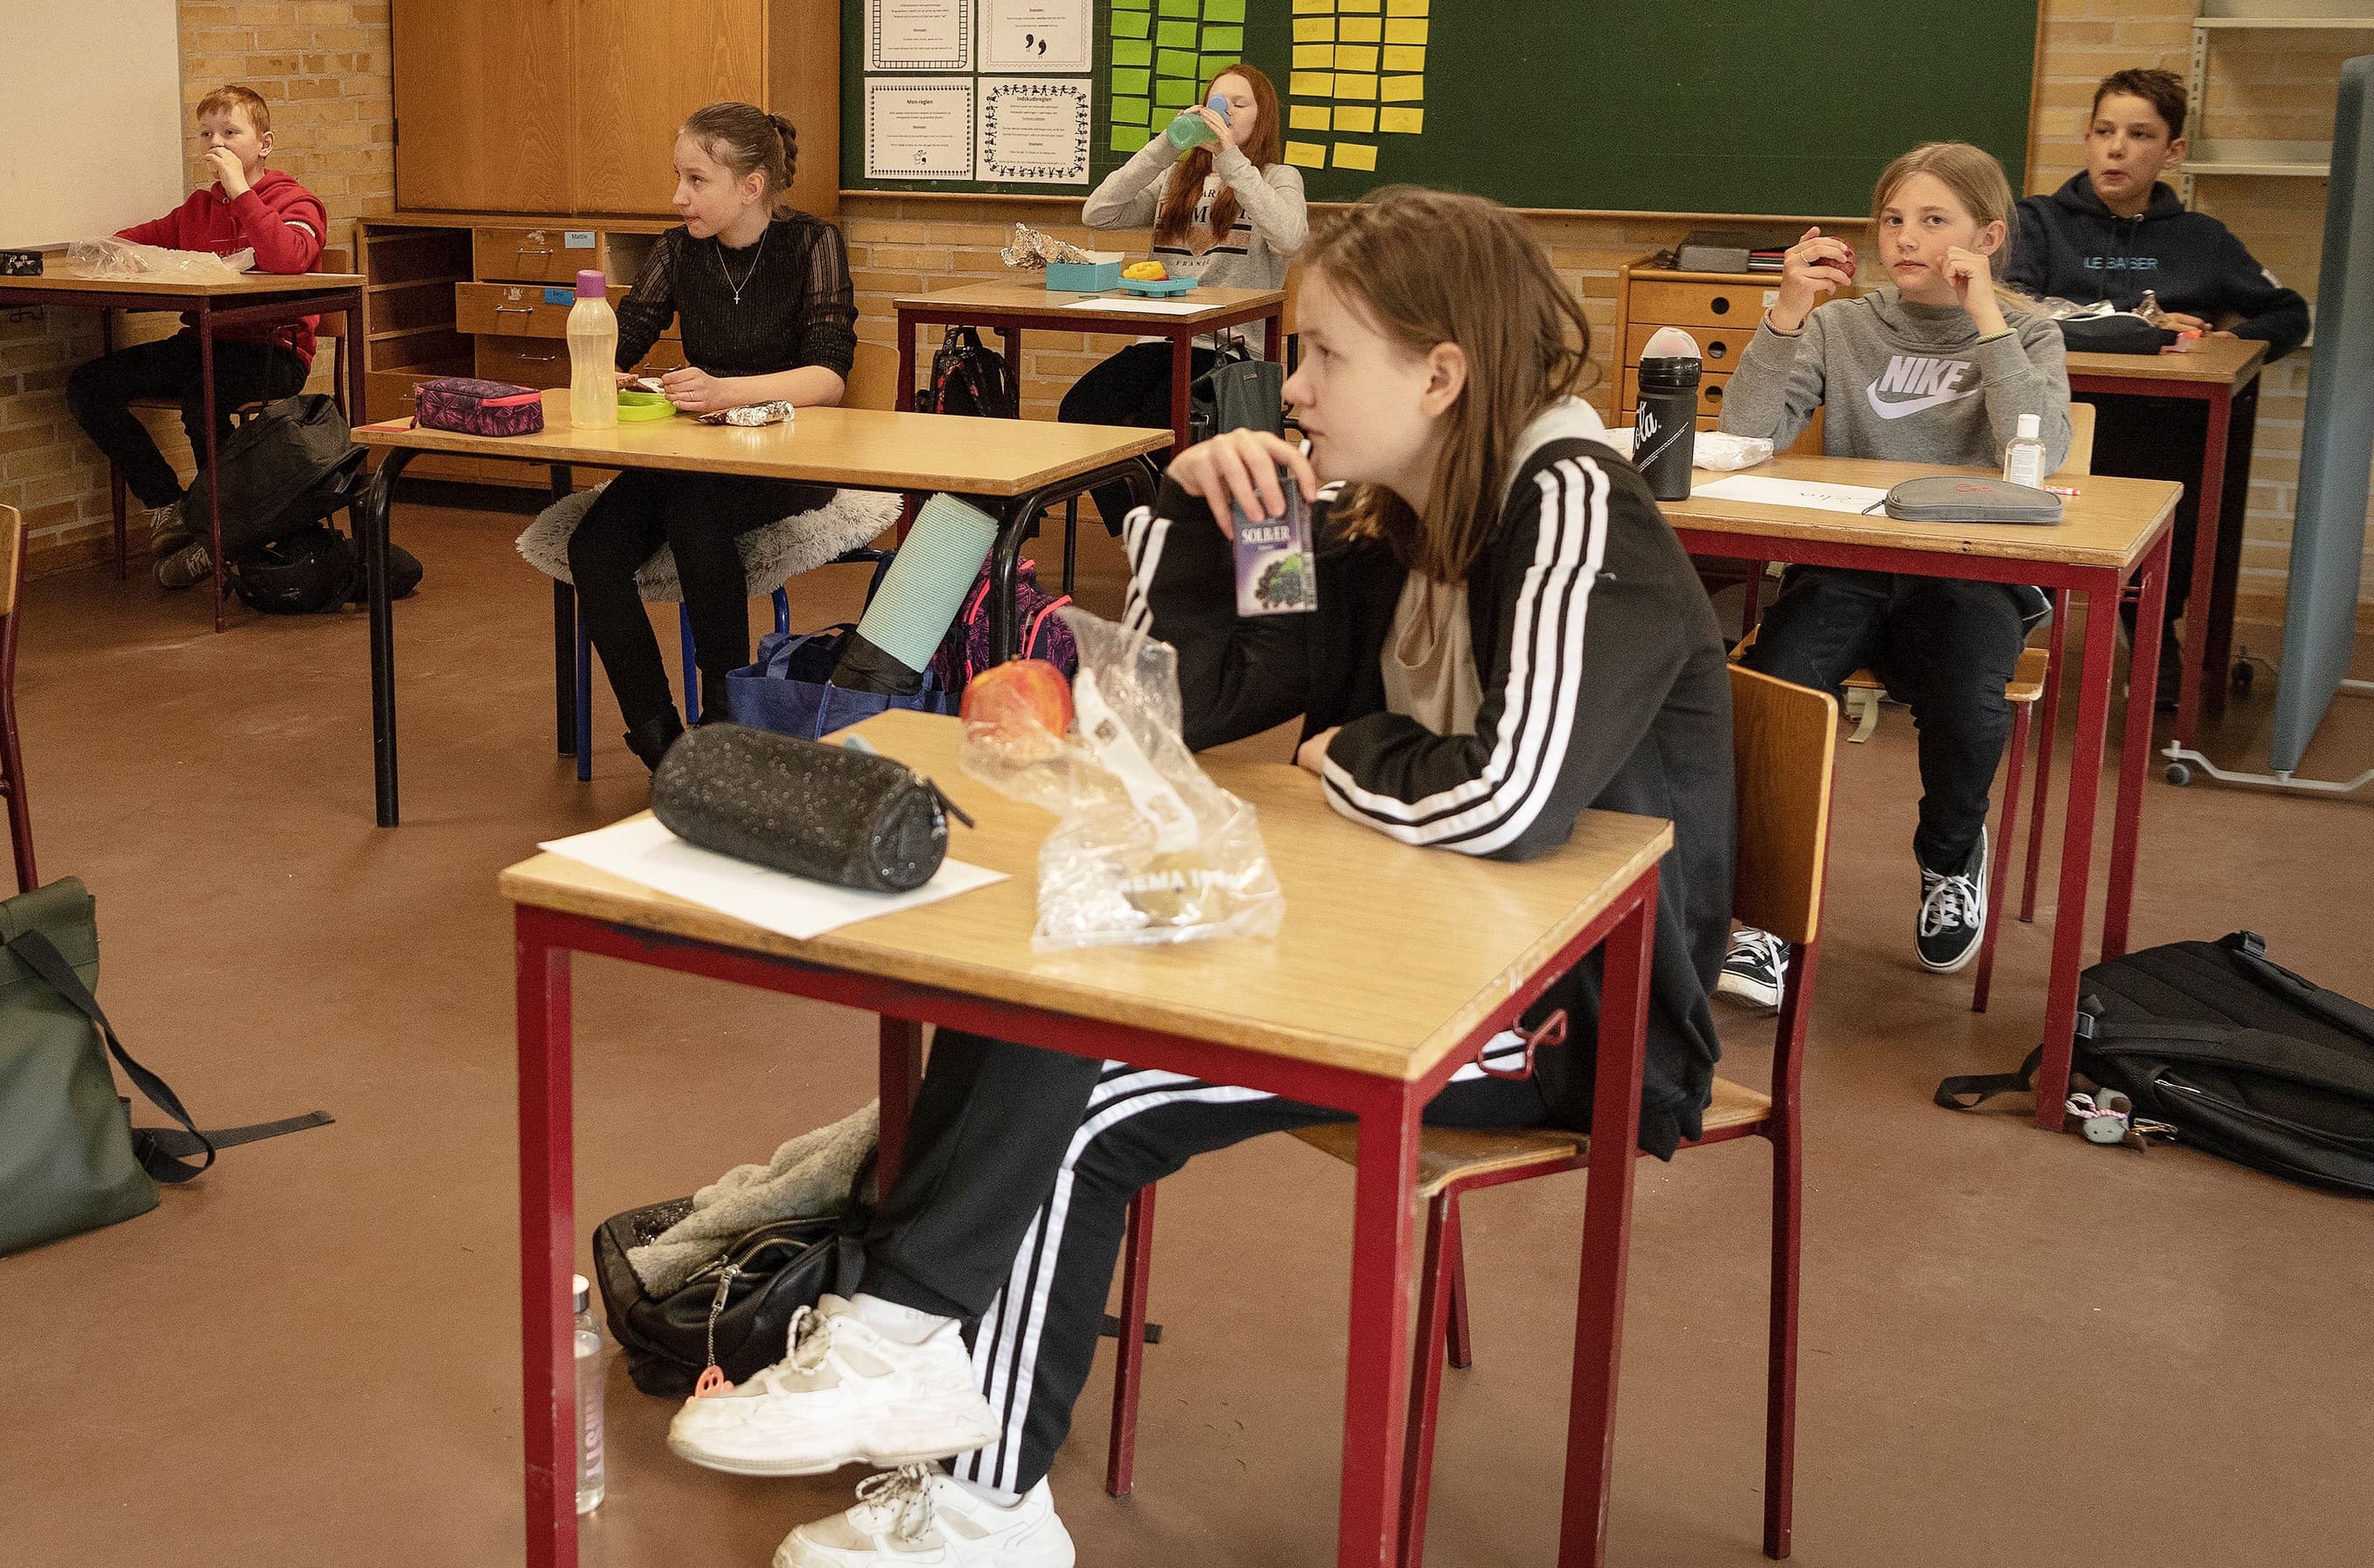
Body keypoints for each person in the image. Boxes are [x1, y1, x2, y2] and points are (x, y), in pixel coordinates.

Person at [665, 188, 1734, 1567]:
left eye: (1324, 356)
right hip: (1394, 943)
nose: (1290, 388)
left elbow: (1513, 798)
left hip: (1569, 1012)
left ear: (1441, 373)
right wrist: (1186, 509)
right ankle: (905, 1344)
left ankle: (973, 1474)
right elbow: (1180, 708)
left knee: (1095, 1100)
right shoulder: (1367, 509)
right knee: (1040, 982)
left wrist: (1353, 748)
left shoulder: (1578, 504)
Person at [1716, 141, 2071, 1011]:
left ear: (1987, 237)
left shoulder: (2027, 332)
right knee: (1777, 682)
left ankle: (1950, 859)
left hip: (1969, 576)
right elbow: (1747, 431)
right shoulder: (1846, 326)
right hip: (1849, 571)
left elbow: (2038, 452)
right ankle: (1762, 911)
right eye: (1893, 219)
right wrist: (1789, 312)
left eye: (1934, 221)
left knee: (1964, 695)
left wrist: (1985, 317)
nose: (1906, 238)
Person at [2004, 66, 2310, 701]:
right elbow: (2015, 308)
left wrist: (2220, 341)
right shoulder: (2035, 221)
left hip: (2162, 421)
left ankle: (2154, 639)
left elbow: (2288, 312)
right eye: (2104, 131)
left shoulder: (2202, 239)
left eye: (2139, 134)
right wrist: (2139, 328)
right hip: (2053, 411)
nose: (2116, 148)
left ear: (2171, 151)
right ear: (2086, 139)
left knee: (2187, 513)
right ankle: (1995, 634)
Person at [568, 102, 858, 769]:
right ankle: (660, 738)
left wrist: (728, 392)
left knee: (695, 516)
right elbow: (624, 334)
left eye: (696, 181)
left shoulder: (813, 245)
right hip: (693, 451)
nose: (679, 197)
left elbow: (828, 379)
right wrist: (605, 368)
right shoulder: (677, 250)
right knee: (593, 547)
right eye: (678, 177)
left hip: (789, 458)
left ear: (750, 186)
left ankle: (728, 726)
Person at [61, 81, 328, 591]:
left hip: (271, 351)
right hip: (204, 341)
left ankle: (223, 531)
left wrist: (243, 194)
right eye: (207, 134)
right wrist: (100, 254)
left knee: (203, 397)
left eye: (231, 132)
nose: (216, 144)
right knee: (90, 385)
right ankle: (169, 504)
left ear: (264, 144)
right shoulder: (197, 210)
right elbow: (135, 241)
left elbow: (287, 258)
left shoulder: (296, 201)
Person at [1059, 62, 1310, 528]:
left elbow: (1291, 239)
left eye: (1240, 103)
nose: (1226, 111)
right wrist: (1165, 147)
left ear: (1262, 117)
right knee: (1082, 410)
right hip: (1159, 340)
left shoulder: (1276, 177)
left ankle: (1164, 532)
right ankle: (1144, 531)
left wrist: (1231, 161)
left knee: (1159, 423)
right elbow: (1097, 212)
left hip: (1226, 350)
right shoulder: (1175, 179)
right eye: (1218, 101)